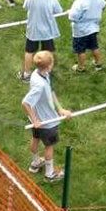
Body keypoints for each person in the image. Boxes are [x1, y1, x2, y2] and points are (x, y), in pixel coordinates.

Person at [21, 51, 71, 183]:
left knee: (36, 138)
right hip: (47, 122)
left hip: (40, 119)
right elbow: (25, 103)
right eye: (52, 62)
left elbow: (51, 90)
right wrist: (36, 120)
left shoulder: (39, 74)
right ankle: (50, 174)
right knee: (49, 146)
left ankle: (35, 163)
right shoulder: (40, 85)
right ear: (49, 66)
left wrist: (60, 109)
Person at [18, 0, 63, 82]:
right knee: (49, 51)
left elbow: (26, 7)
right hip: (47, 31)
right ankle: (47, 71)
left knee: (29, 51)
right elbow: (59, 11)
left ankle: (27, 74)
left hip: (33, 30)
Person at [68, 0, 106, 73]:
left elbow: (72, 17)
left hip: (81, 31)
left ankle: (81, 67)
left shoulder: (79, 2)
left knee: (80, 50)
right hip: (94, 28)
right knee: (94, 46)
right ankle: (98, 64)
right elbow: (103, 6)